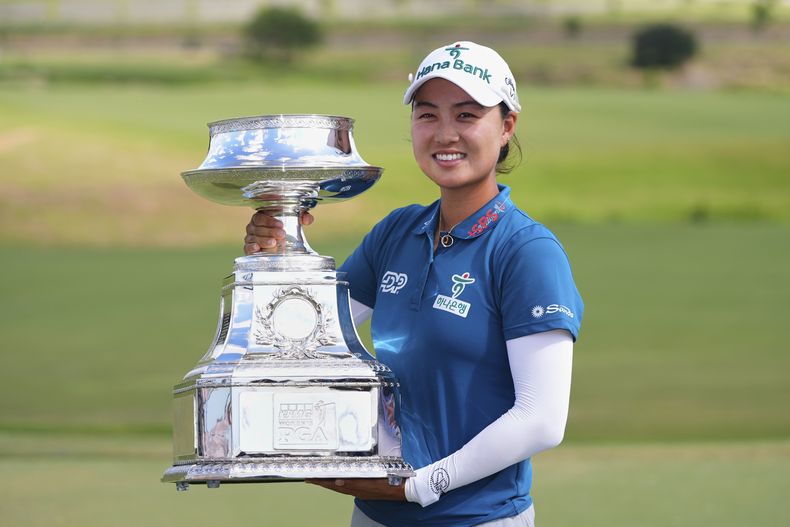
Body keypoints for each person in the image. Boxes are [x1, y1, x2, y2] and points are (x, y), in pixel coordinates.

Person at [244, 41, 584, 527]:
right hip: (376, 515)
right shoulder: (397, 232)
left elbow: (541, 420)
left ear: (507, 126)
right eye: (427, 115)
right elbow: (306, 338)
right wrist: (278, 259)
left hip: (477, 518)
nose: (445, 133)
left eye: (466, 115)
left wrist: (421, 485)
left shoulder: (525, 250)